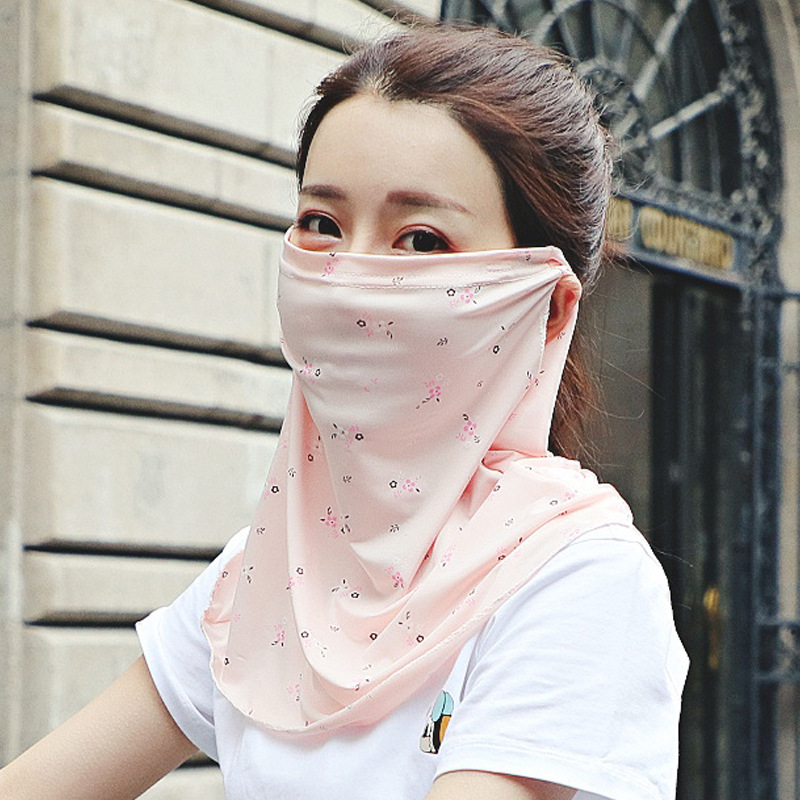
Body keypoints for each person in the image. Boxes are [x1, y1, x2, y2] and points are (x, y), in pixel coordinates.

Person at [0, 23, 688, 800]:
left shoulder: (577, 576)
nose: (350, 274)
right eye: (321, 224)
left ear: (548, 305)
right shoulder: (268, 566)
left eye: (421, 240)